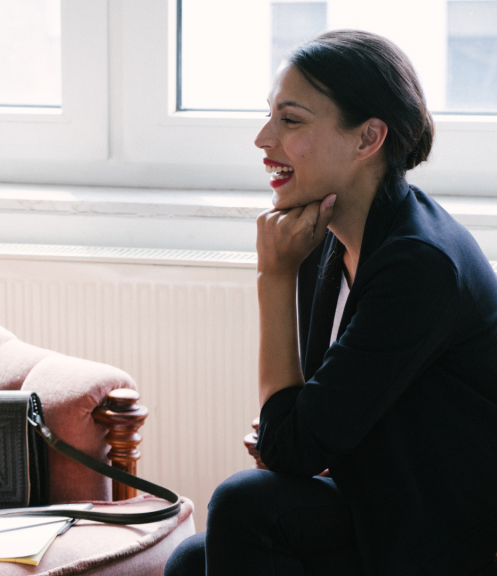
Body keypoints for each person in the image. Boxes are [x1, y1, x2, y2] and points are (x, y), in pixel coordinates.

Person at [166, 30, 497, 576]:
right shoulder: (331, 234)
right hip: (373, 495)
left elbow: (292, 446)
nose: (263, 139)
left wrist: (273, 278)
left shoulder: (419, 263)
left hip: (430, 527)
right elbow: (303, 429)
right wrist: (292, 432)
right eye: (269, 116)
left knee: (244, 505)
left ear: (368, 137)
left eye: (290, 121)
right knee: (189, 562)